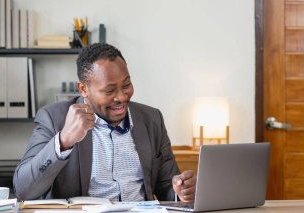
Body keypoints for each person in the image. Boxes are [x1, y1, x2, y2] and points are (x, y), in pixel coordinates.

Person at [13, 43, 196, 202]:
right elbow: (24, 190)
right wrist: (64, 141)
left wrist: (181, 192)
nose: (122, 97)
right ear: (84, 89)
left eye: (126, 85)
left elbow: (167, 186)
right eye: (109, 91)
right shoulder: (54, 118)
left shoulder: (152, 119)